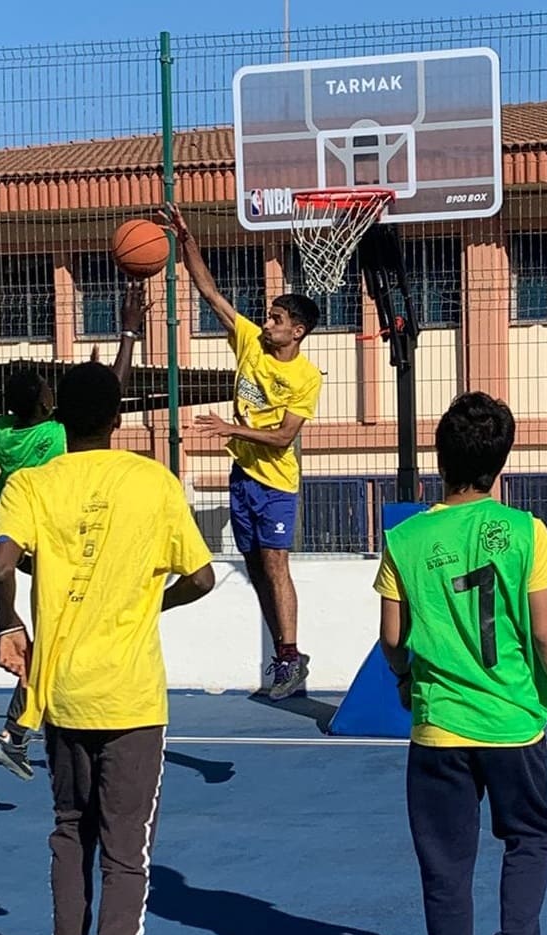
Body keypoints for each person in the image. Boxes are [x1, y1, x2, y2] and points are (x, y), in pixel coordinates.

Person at [0, 360, 216, 935]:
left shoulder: (30, 482)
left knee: (67, 831)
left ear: (61, 422)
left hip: (60, 692)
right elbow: (202, 575)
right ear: (118, 416)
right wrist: (152, 603)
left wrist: (9, 622)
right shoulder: (151, 481)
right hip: (130, 695)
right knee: (126, 855)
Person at [373, 391, 547, 935]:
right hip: (513, 720)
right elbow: (544, 628)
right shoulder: (524, 531)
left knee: (445, 866)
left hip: (438, 726)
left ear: (438, 457)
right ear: (501, 461)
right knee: (528, 836)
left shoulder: (404, 538)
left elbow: (389, 637)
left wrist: (409, 682)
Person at [157, 202, 322, 700]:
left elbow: (283, 438)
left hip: (275, 481)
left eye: (276, 319)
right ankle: (286, 656)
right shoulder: (250, 340)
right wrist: (184, 238)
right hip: (243, 477)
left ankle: (291, 656)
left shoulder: (305, 376)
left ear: (297, 331)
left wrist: (232, 428)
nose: (267, 323)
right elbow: (210, 292)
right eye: (268, 317)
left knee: (275, 564)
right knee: (255, 566)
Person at [0, 284, 147, 780]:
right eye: (49, 388)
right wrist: (128, 335)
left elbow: (85, 401)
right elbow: (106, 401)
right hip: (55, 541)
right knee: (61, 635)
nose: (54, 392)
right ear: (41, 405)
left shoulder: (3, 430)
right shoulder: (50, 434)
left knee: (56, 632)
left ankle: (19, 732)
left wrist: (85, 382)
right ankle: (17, 732)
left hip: (23, 537)